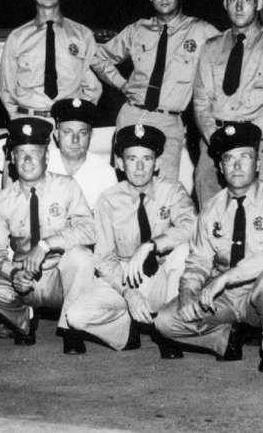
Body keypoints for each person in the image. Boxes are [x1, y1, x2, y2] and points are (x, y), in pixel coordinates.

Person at [154, 123, 263, 372]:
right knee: (166, 322)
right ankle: (224, 339)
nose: (237, 165)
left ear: (257, 163)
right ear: (220, 167)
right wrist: (188, 293)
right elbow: (198, 260)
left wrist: (227, 277)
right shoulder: (211, 209)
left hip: (261, 290)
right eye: (229, 159)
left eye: (245, 157)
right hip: (224, 297)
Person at [0, 118, 99, 352]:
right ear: (12, 158)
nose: (28, 160)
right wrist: (13, 273)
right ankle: (23, 321)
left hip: (59, 277)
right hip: (23, 277)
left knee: (82, 256)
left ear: (47, 156)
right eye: (21, 153)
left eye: (35, 152)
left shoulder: (67, 186)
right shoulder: (2, 201)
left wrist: (45, 245)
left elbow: (89, 230)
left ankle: (71, 327)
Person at [93, 0, 218, 182]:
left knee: (165, 192)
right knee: (126, 188)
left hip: (168, 122)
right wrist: (121, 83)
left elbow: (226, 59)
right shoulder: (137, 29)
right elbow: (98, 56)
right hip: (132, 115)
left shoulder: (200, 30)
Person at [80, 124, 197, 356]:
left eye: (147, 158)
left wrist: (152, 245)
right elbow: (103, 258)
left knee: (182, 251)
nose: (141, 167)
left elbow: (192, 226)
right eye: (132, 159)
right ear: (121, 163)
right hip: (126, 275)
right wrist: (127, 293)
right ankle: (126, 331)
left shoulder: (172, 191)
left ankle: (169, 331)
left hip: (163, 277)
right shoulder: (108, 200)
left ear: (158, 162)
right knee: (76, 316)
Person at [192, 0, 263, 206]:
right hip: (216, 139)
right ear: (225, 4)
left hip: (261, 141)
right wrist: (214, 137)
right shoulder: (211, 47)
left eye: (246, 0)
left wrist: (247, 138)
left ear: (258, 4)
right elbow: (201, 100)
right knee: (210, 208)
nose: (239, 7)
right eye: (233, 0)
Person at [0, 0, 102, 123]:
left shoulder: (82, 35)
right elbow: (6, 88)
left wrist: (78, 117)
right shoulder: (17, 38)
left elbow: (93, 86)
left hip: (68, 123)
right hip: (29, 120)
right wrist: (18, 117)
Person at [47, 98, 117, 207]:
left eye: (82, 133)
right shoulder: (44, 165)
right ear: (56, 135)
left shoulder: (105, 174)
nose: (75, 140)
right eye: (67, 132)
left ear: (90, 135)